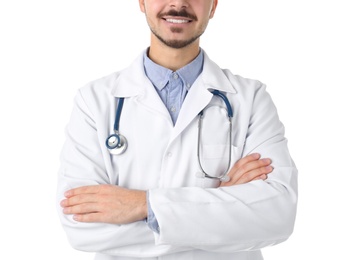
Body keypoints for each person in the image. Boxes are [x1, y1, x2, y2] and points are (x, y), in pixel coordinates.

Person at [57, 0, 298, 259]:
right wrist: (223, 207)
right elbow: (80, 227)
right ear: (142, 2)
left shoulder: (251, 98)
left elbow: (277, 215)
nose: (178, 3)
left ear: (213, 6)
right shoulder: (93, 101)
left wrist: (142, 205)